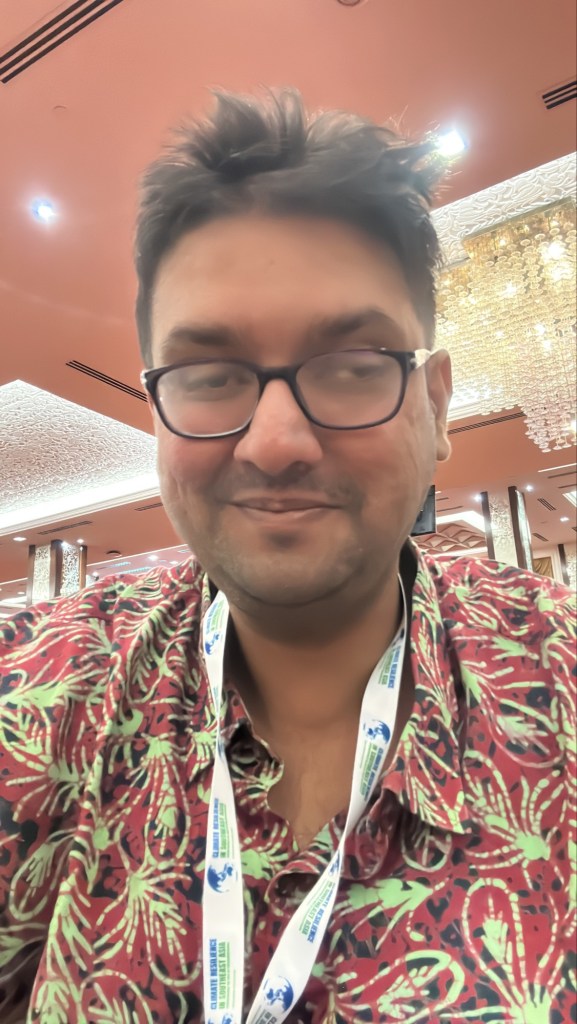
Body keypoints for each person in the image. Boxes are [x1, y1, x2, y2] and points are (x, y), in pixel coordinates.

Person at [0, 89, 575, 1024]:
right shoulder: (36, 697)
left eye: (350, 366)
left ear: (434, 406)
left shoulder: (558, 677)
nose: (274, 443)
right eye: (211, 375)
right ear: (157, 417)